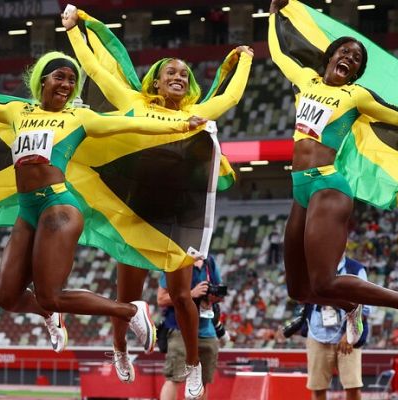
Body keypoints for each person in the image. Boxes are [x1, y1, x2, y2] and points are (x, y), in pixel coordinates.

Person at [0, 52, 207, 354]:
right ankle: (49, 312)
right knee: (7, 297)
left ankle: (130, 312)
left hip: (58, 206)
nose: (67, 85)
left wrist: (181, 126)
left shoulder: (79, 118)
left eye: (72, 80)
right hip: (27, 210)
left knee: (51, 295)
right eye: (60, 77)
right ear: (42, 79)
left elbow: (132, 125)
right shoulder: (18, 111)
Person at [61, 8, 252, 393]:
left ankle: (194, 366)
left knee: (183, 296)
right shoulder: (133, 101)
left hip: (175, 219)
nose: (179, 78)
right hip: (135, 212)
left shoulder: (198, 113)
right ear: (156, 82)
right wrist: (73, 31)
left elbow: (231, 96)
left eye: (184, 75)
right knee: (126, 298)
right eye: (171, 73)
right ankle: (118, 349)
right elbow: (97, 69)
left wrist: (244, 59)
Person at [269, 0, 398, 345]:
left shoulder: (357, 96)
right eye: (345, 53)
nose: (350, 59)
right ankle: (351, 305)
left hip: (328, 187)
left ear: (354, 73)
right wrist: (275, 13)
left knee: (323, 282)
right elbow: (280, 54)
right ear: (330, 56)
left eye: (356, 61)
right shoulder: (305, 80)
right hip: (299, 192)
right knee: (300, 290)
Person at [157, 256, 225, 400]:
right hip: (180, 329)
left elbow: (220, 292)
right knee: (175, 377)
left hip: (207, 330)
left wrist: (212, 296)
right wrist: (191, 294)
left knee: (202, 382)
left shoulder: (210, 262)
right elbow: (161, 299)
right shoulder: (176, 260)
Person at [304, 257, 371, 400]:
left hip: (348, 335)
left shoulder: (356, 269)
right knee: (318, 388)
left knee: (352, 386)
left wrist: (349, 333)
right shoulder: (313, 267)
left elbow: (365, 308)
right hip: (317, 334)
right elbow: (304, 298)